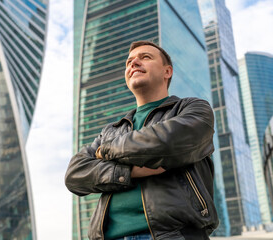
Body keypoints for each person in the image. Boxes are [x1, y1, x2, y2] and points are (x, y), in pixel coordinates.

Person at [65, 41, 219, 240]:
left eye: (145, 57)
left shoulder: (193, 109)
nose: (134, 63)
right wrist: (128, 171)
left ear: (167, 72)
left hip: (173, 235)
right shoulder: (111, 130)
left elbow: (167, 143)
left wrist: (106, 151)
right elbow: (74, 174)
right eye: (129, 61)